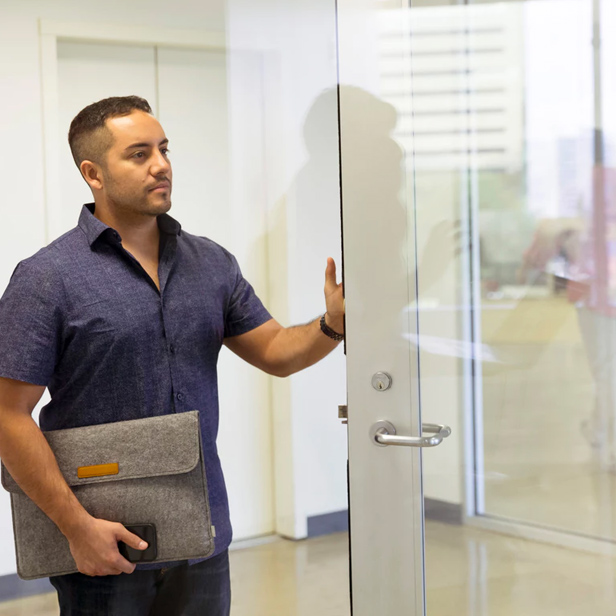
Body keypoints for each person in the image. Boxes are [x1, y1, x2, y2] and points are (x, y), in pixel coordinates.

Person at [0, 95, 345, 616]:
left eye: (163, 149)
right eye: (138, 154)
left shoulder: (211, 263)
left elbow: (275, 350)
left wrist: (331, 326)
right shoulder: (47, 278)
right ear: (93, 173)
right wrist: (76, 528)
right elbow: (7, 415)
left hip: (202, 531)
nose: (161, 165)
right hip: (102, 539)